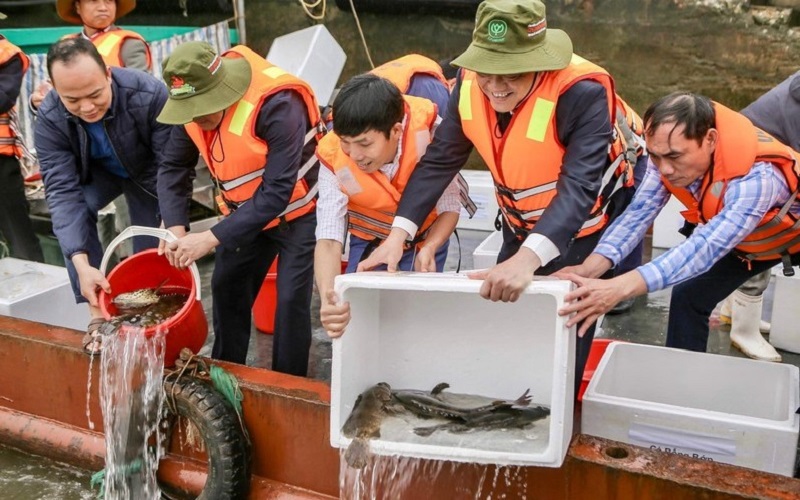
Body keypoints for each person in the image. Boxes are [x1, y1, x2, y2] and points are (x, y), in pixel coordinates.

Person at [358, 0, 642, 396]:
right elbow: (439, 161)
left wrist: (526, 261)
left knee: (565, 326)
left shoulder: (584, 93)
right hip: (519, 216)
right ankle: (513, 402)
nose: (495, 86)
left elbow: (578, 187)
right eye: (487, 70)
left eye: (511, 72)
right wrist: (396, 237)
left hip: (584, 221)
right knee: (507, 315)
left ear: (540, 60)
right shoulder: (468, 86)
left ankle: (558, 419)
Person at [557, 92, 800, 363]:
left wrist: (619, 287)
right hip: (751, 243)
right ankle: (682, 384)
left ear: (710, 139)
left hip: (789, 235)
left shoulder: (758, 177)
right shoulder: (663, 157)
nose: (665, 169)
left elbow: (705, 248)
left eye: (674, 156)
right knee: (689, 297)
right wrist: (589, 268)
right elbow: (638, 213)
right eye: (656, 157)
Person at [157, 41, 321, 377]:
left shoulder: (279, 105)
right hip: (245, 215)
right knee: (226, 283)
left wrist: (210, 238)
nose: (197, 119)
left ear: (223, 89)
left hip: (301, 213)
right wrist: (175, 226)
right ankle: (225, 374)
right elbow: (174, 168)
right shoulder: (190, 107)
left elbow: (277, 192)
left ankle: (286, 387)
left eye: (203, 110)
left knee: (290, 302)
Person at [33, 38, 169, 355]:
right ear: (54, 89)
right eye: (73, 100)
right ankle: (96, 312)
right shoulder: (50, 117)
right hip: (98, 172)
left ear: (108, 74)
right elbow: (62, 192)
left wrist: (172, 217)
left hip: (147, 169)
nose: (87, 107)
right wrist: (80, 263)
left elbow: (172, 164)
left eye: (95, 94)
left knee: (152, 245)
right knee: (76, 219)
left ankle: (149, 317)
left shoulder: (148, 93)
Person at [315, 74, 472, 338]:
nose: (355, 156)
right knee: (361, 322)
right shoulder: (332, 156)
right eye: (346, 143)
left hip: (425, 241)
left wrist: (431, 247)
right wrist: (329, 298)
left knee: (418, 325)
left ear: (396, 131)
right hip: (368, 244)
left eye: (365, 144)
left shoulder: (430, 133)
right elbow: (329, 238)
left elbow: (449, 207)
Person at [715, 72, 800, 361]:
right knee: (767, 235)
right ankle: (744, 330)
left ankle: (732, 310)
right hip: (752, 165)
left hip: (762, 155)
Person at [30, 0, 151, 109]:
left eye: (109, 1)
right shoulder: (64, 44)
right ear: (78, 6)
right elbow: (52, 87)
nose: (103, 7)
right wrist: (37, 101)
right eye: (94, 1)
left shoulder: (129, 43)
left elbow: (142, 93)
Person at [0, 36, 44, 262]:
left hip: (1, 159)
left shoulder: (7, 53)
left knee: (17, 232)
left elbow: (3, 98)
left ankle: (35, 287)